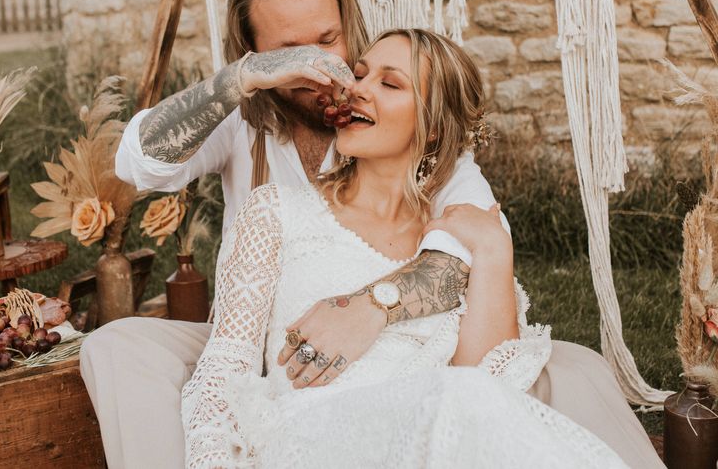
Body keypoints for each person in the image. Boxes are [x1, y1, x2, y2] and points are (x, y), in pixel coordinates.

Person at [80, 0, 659, 468]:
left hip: (417, 394)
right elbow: (138, 162)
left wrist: (370, 308)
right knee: (120, 349)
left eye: (329, 41)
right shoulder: (244, 127)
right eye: (288, 50)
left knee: (555, 379)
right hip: (271, 352)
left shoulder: (441, 168)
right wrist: (244, 80)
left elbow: (470, 250)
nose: (322, 67)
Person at [181, 29, 661, 468]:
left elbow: (495, 385)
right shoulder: (276, 213)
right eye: (361, 75)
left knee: (469, 404)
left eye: (391, 85)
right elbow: (225, 367)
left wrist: (493, 249)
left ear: (432, 127)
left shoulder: (456, 240)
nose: (359, 90)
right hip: (315, 438)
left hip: (439, 442)